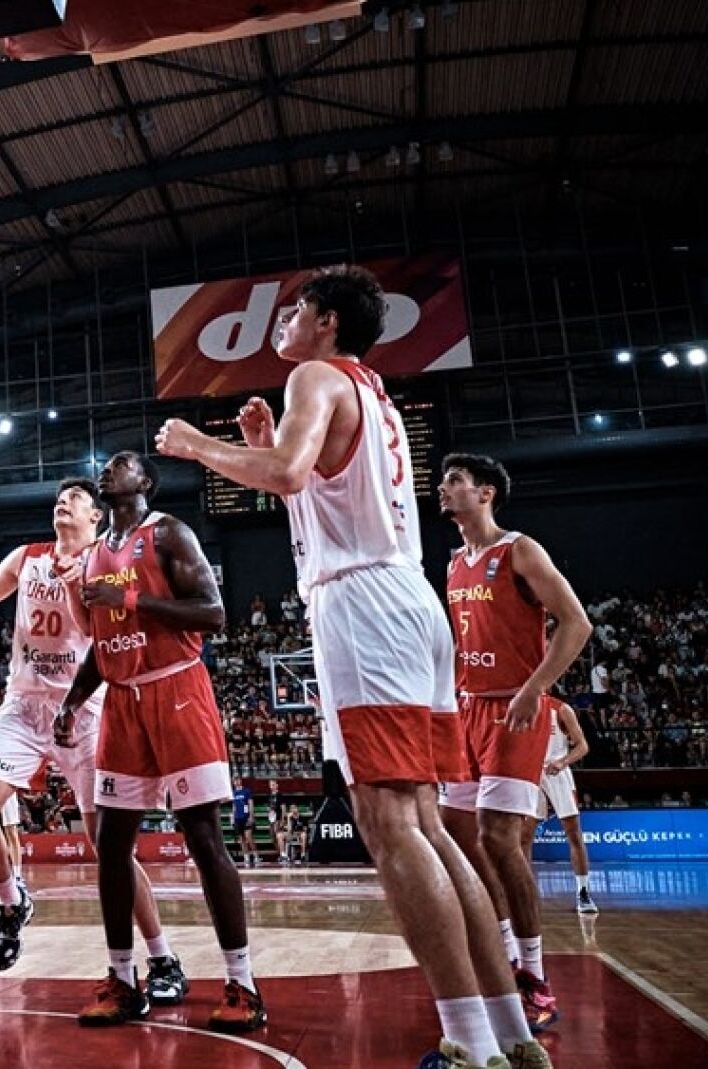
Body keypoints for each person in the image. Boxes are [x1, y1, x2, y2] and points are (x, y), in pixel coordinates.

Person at [155, 265, 541, 1069]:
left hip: (363, 608)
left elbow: (288, 473)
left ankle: (469, 1042)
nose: (283, 323)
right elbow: (310, 486)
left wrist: (195, 445)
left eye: (295, 309)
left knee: (390, 825)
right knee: (426, 823)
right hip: (408, 600)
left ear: (326, 321)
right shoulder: (372, 394)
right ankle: (508, 1030)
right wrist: (259, 446)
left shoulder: (314, 375)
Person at [0, 479, 182, 1002]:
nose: (64, 502)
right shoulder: (27, 557)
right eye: (60, 498)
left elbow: (105, 636)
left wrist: (79, 587)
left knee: (110, 846)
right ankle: (12, 904)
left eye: (76, 498)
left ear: (96, 517)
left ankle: (163, 957)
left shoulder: (106, 564)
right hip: (24, 707)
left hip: (85, 708)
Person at [57, 451, 262, 1034]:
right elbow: (102, 644)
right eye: (105, 466)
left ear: (144, 481)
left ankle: (242, 983)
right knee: (111, 844)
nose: (106, 470)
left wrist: (131, 600)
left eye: (120, 464)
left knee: (203, 836)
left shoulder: (168, 532)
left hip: (177, 690)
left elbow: (213, 614)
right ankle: (124, 979)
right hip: (122, 701)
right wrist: (72, 700)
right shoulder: (94, 556)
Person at [437, 453, 594, 1033]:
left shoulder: (519, 551)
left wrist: (536, 689)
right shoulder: (454, 563)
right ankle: (504, 962)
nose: (443, 488)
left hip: (515, 709)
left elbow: (577, 622)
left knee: (498, 838)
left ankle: (535, 974)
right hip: (466, 709)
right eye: (443, 481)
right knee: (463, 840)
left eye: (455, 481)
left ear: (486, 494)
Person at [523, 699, 597, 915]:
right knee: (524, 836)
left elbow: (583, 746)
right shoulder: (522, 705)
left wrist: (562, 762)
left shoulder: (561, 709)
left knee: (573, 833)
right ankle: (525, 891)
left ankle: (583, 892)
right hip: (531, 773)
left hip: (557, 772)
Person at [231, 777, 259, 867]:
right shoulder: (233, 793)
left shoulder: (247, 791)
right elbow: (234, 805)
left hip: (246, 817)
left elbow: (250, 803)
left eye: (238, 780)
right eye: (235, 780)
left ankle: (256, 856)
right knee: (241, 839)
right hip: (238, 818)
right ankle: (246, 857)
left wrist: (251, 816)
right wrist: (233, 816)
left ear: (240, 781)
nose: (237, 782)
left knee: (249, 837)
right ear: (233, 782)